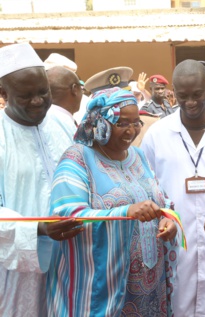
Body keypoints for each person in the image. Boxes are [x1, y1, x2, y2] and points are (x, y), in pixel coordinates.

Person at [47, 88, 179, 316]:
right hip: (99, 292)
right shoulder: (77, 158)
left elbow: (163, 201)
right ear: (100, 123)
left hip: (150, 290)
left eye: (136, 122)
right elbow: (67, 215)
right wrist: (126, 211)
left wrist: (168, 220)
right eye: (122, 123)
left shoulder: (138, 156)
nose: (132, 130)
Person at [141, 59, 205, 317]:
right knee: (177, 301)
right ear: (173, 92)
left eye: (197, 94)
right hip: (174, 241)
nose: (190, 102)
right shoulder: (157, 135)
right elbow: (146, 187)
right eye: (183, 95)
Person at [0, 43, 83, 316]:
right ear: (4, 94)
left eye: (43, 91)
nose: (38, 101)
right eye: (26, 95)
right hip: (16, 267)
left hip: (73, 256)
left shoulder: (63, 124)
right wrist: (38, 228)